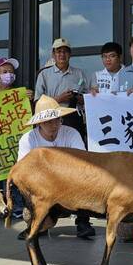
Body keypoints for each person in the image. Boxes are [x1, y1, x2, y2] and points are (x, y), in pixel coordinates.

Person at [33, 38, 93, 237]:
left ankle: (83, 222)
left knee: (78, 166)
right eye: (58, 52)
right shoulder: (45, 74)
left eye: (65, 52)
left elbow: (86, 100)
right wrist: (59, 99)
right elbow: (36, 102)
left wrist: (77, 97)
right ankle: (41, 219)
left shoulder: (79, 73)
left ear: (70, 54)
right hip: (49, 118)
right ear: (53, 54)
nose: (62, 55)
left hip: (72, 118)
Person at [15, 95, 89, 240]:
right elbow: (23, 168)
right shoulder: (28, 139)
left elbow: (82, 161)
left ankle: (83, 221)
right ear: (39, 123)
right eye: (48, 122)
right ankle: (40, 222)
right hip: (42, 186)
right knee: (28, 207)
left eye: (57, 120)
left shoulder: (71, 133)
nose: (54, 125)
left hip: (69, 182)